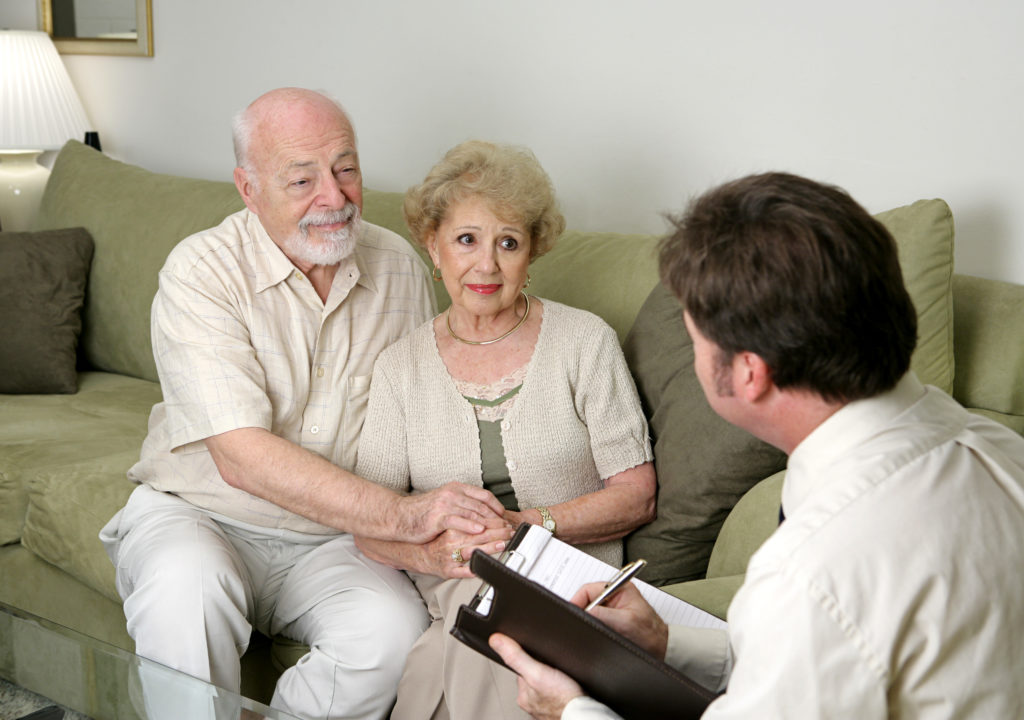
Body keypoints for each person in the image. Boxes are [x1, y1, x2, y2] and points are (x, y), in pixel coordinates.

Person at [490, 171, 1024, 719]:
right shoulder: (1000, 450)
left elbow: (824, 622)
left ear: (749, 373)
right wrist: (668, 645)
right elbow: (831, 659)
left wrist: (571, 711)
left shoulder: (813, 569)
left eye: (693, 341)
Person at [99, 88, 508, 720]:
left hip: (334, 538)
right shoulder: (200, 271)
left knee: (391, 635)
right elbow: (241, 458)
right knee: (185, 591)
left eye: (346, 169)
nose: (335, 197)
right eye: (301, 179)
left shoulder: (398, 267)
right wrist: (404, 519)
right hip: (201, 513)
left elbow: (419, 421)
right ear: (248, 187)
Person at [352, 140, 657, 720]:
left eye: (508, 243)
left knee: (473, 638)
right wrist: (446, 556)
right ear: (433, 247)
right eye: (467, 239)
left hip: (571, 578)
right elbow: (370, 527)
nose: (486, 265)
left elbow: (636, 494)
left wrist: (527, 526)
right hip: (453, 578)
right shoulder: (400, 367)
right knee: (485, 609)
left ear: (531, 253)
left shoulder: (584, 342)